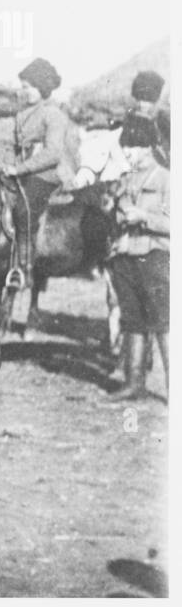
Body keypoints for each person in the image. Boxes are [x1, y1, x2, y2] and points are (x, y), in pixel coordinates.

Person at [105, 116, 169, 401]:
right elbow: (117, 215)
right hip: (126, 255)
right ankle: (134, 383)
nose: (128, 153)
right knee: (132, 321)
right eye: (126, 147)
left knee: (163, 323)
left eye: (133, 147)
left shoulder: (167, 179)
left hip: (154, 256)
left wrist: (143, 216)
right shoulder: (124, 180)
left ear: (147, 147)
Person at [0, 58, 79, 277]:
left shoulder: (54, 114)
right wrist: (6, 165)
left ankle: (23, 266)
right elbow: (16, 147)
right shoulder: (22, 114)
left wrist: (20, 169)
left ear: (42, 87)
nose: (25, 92)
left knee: (23, 210)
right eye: (23, 87)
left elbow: (52, 153)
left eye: (29, 87)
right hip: (24, 172)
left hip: (48, 174)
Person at [129, 70, 170, 168]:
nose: (140, 105)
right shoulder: (151, 122)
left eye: (144, 99)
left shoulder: (166, 119)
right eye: (138, 99)